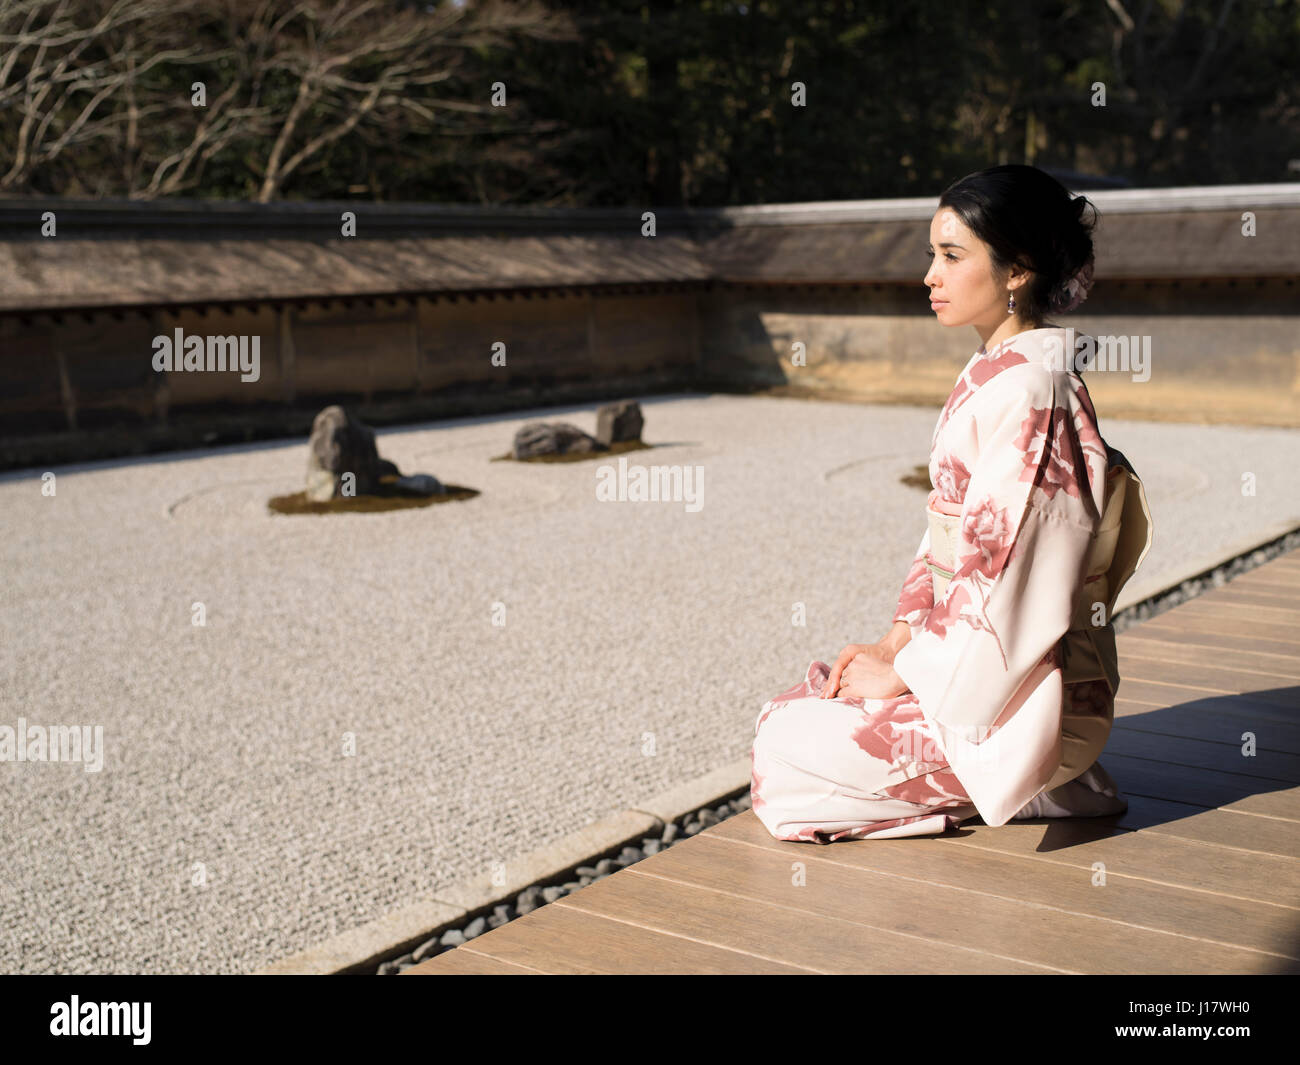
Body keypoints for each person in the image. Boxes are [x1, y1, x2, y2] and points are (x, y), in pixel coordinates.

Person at [750, 164, 1154, 843]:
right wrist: (894, 644)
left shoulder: (1033, 392)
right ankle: (1017, 783)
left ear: (1017, 269)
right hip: (972, 672)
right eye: (931, 254)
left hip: (1030, 697)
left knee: (781, 749)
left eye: (951, 255)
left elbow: (1002, 587)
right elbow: (944, 548)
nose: (930, 275)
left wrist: (906, 673)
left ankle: (1033, 778)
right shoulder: (998, 372)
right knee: (801, 706)